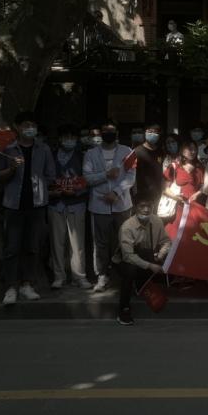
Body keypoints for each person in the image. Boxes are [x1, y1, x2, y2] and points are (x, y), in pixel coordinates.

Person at [0, 111, 56, 306]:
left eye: (33, 125)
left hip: (37, 206)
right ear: (17, 126)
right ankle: (10, 287)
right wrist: (12, 168)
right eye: (26, 125)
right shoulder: (8, 149)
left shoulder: (44, 149)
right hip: (14, 205)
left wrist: (40, 187)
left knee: (32, 247)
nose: (30, 129)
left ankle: (27, 284)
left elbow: (51, 176)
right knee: (12, 248)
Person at [84, 121, 136, 293]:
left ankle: (123, 276)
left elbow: (131, 176)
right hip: (99, 205)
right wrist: (105, 174)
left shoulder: (127, 152)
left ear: (117, 133)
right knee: (101, 243)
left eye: (111, 131)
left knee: (123, 241)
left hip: (122, 204)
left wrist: (116, 192)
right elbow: (88, 178)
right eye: (105, 130)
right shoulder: (90, 154)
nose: (108, 133)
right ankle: (102, 275)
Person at [113, 200, 171, 326]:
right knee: (130, 271)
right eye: (142, 206)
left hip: (148, 256)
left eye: (149, 206)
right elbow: (128, 256)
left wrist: (160, 255)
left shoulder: (157, 221)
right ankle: (124, 309)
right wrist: (150, 265)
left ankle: (143, 286)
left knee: (169, 258)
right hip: (125, 260)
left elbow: (166, 241)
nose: (146, 209)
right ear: (135, 208)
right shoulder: (127, 226)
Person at [48, 125, 91, 290]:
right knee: (57, 242)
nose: (69, 140)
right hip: (56, 204)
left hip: (77, 203)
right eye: (66, 137)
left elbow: (88, 179)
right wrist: (53, 191)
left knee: (77, 243)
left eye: (72, 137)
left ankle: (79, 276)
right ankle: (59, 276)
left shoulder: (82, 156)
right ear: (60, 139)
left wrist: (76, 191)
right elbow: (45, 177)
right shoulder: (51, 155)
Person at [132, 123, 164, 206]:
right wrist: (135, 194)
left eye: (155, 132)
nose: (152, 134)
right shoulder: (137, 151)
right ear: (145, 133)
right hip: (142, 195)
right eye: (150, 131)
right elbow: (132, 174)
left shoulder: (161, 151)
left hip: (158, 194)